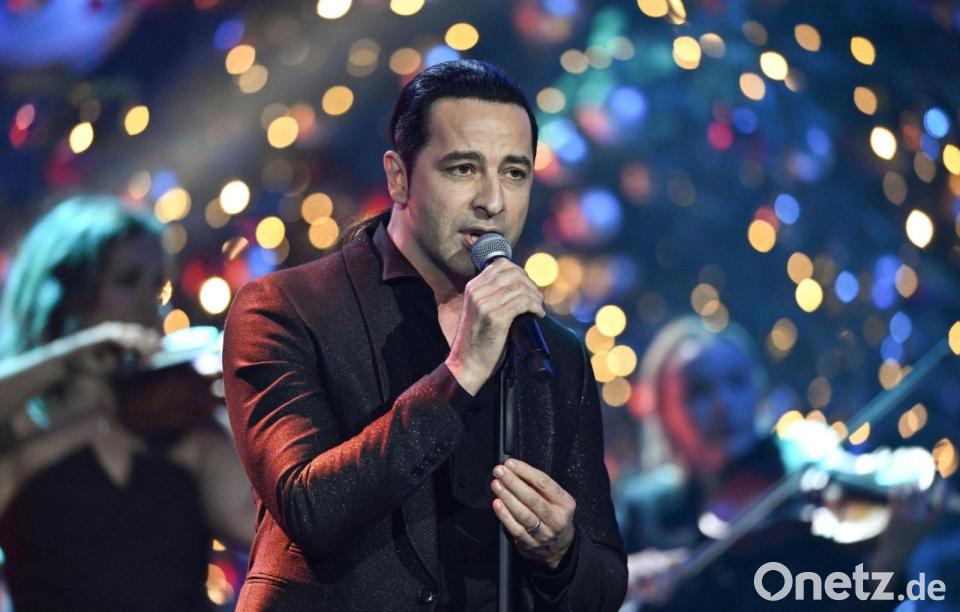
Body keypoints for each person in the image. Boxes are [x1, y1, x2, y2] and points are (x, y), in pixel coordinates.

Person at [222, 59, 627, 610]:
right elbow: (309, 508)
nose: (493, 201)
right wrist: (461, 371)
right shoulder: (285, 308)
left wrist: (562, 553)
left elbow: (606, 581)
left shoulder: (551, 350)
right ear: (398, 177)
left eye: (515, 172)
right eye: (463, 169)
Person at [0, 196, 254, 611]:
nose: (147, 305)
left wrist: (232, 409)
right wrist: (68, 357)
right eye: (126, 280)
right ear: (67, 290)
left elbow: (256, 526)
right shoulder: (18, 430)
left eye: (155, 287)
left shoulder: (179, 426)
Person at [617, 316, 943, 610]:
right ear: (662, 410)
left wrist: (891, 559)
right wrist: (615, 583)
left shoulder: (803, 485)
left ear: (757, 389)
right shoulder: (642, 514)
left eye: (736, 382)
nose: (723, 404)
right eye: (699, 391)